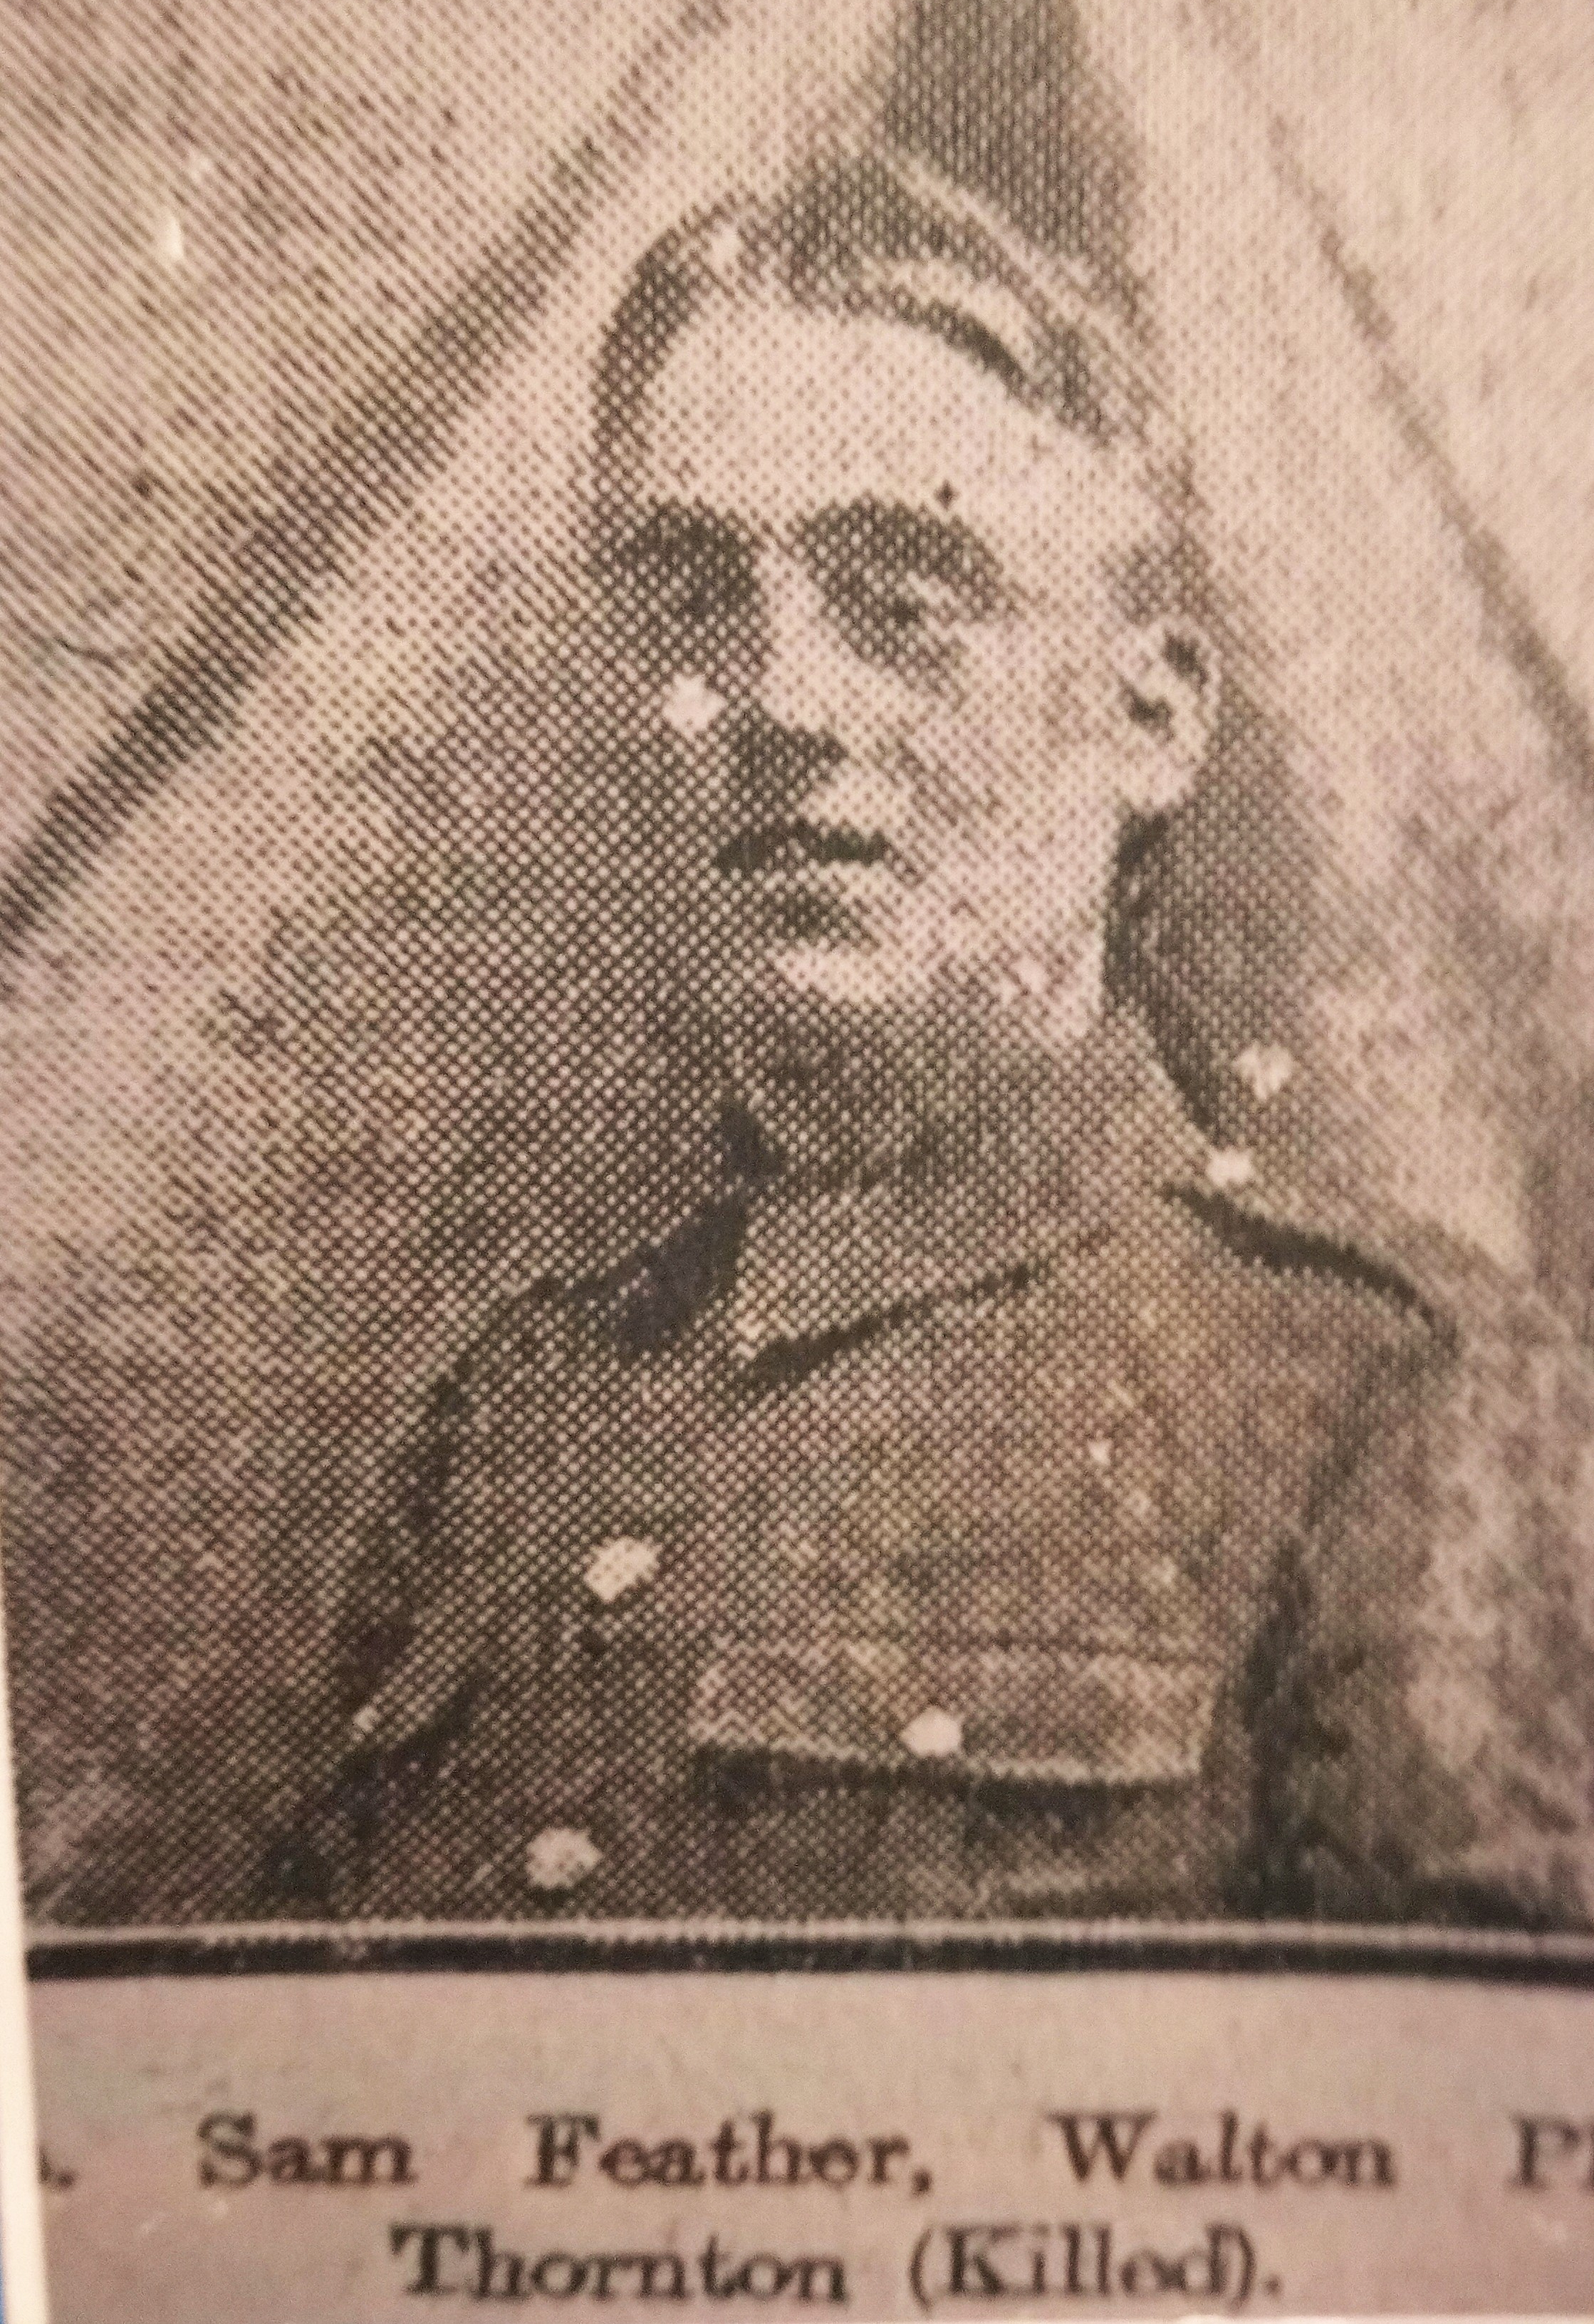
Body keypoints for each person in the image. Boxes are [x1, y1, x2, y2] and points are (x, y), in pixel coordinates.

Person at [268, 152, 1594, 1928]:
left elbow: (1479, 2100)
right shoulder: (517, 1413)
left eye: (902, 605)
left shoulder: (1385, 1388)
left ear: (1151, 716)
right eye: (691, 598)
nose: (781, 700)